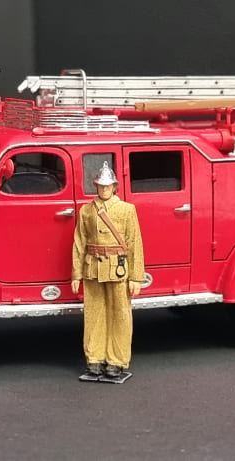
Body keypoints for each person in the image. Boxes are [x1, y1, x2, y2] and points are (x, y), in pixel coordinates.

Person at [71, 162, 144, 383]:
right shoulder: (86, 210)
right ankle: (94, 358)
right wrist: (76, 274)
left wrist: (136, 277)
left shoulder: (127, 210)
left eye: (108, 186)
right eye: (101, 186)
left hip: (117, 268)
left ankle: (116, 361)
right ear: (96, 186)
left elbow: (134, 243)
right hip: (93, 268)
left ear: (115, 187)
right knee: (93, 314)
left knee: (120, 315)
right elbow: (79, 242)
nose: (104, 189)